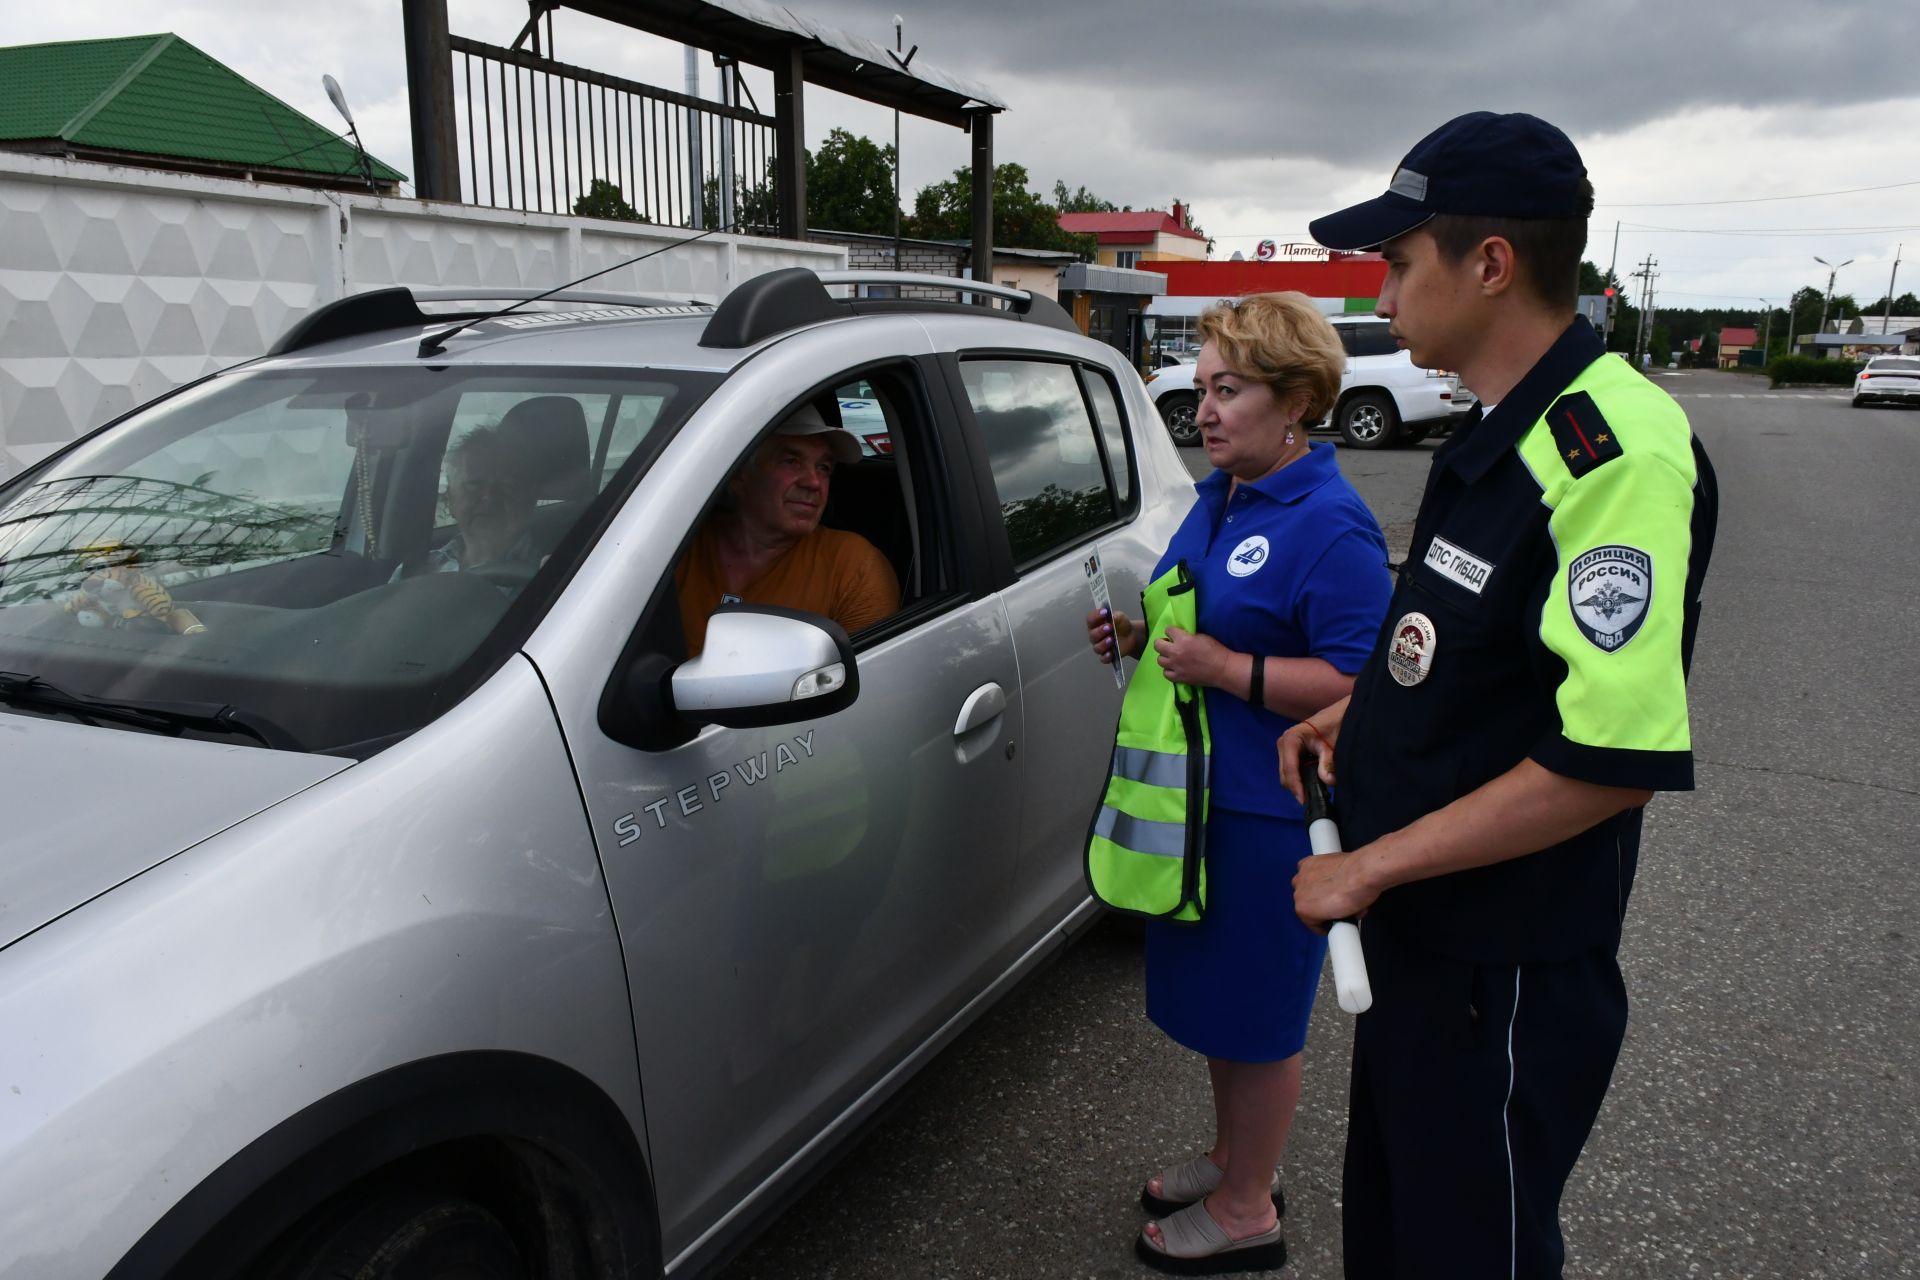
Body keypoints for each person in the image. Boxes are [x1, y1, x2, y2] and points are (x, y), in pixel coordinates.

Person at [1280, 112, 1718, 1279]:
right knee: (1401, 1230)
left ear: (1489, 264)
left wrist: (1366, 865)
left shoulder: (1610, 449)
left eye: (1396, 260)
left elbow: (1609, 760)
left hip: (1502, 964)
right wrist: (1360, 714)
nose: (1377, 289)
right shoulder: (1501, 429)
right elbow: (1468, 653)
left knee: (1475, 1250)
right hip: (1428, 938)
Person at [1085, 293, 1393, 1274]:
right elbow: (1202, 616)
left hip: (1271, 817)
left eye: (1230, 389)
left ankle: (1249, 1205)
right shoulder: (1221, 497)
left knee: (1258, 1021)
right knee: (1221, 1007)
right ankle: (1229, 1159)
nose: (1205, 408)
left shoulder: (1331, 525)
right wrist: (1137, 639)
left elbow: (1364, 681)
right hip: (1204, 805)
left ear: (1296, 398)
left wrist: (1227, 671)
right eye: (1203, 387)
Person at [676, 404, 899, 654]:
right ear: (739, 475)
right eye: (792, 461)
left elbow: (870, 680)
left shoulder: (852, 568)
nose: (813, 482)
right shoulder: (677, 545)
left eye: (823, 468)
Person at [412, 425, 541, 577]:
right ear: (449, 498)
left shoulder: (561, 573)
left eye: (505, 486)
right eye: (473, 485)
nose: (489, 497)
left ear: (530, 500)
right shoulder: (416, 570)